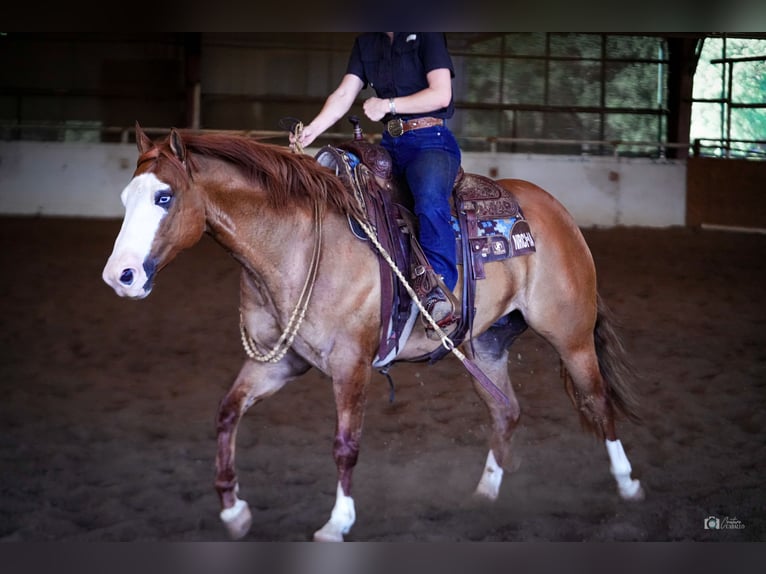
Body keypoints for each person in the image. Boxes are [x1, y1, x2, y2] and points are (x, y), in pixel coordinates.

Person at [292, 32, 462, 327]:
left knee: (430, 199)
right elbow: (345, 93)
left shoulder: (427, 34)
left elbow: (441, 94)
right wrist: (312, 130)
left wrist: (389, 105)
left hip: (431, 140)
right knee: (350, 194)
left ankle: (439, 292)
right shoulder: (366, 42)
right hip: (390, 143)